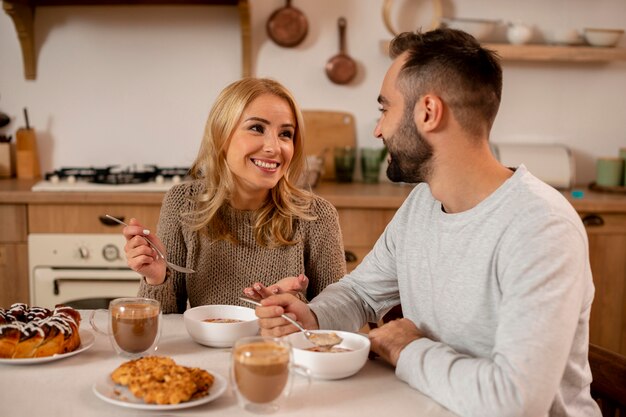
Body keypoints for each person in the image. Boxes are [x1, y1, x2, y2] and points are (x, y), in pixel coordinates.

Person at [254, 29, 601, 417]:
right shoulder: (423, 202)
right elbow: (362, 294)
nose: (378, 129)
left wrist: (407, 348)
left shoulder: (540, 228)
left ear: (428, 113)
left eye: (385, 109)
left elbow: (514, 402)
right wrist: (313, 315)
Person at [122, 77, 346, 313]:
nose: (274, 147)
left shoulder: (317, 216)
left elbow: (338, 321)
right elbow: (165, 326)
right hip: (206, 350)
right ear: (221, 136)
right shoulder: (183, 203)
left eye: (285, 134)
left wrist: (296, 311)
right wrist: (156, 279)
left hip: (281, 350)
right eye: (257, 128)